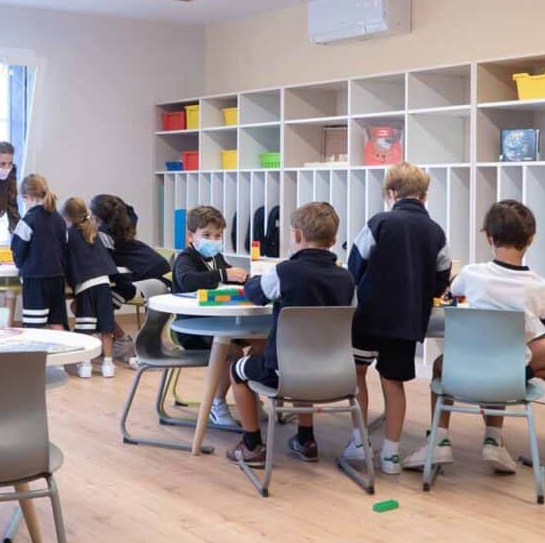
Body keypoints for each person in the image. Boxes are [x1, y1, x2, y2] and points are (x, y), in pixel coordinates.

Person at [403, 200, 545, 473]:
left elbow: (450, 294)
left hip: (463, 373)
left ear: (489, 237)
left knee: (440, 365)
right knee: (504, 358)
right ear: (532, 239)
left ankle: (440, 438)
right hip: (512, 377)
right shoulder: (540, 286)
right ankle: (493, 439)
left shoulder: (471, 274)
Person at [225, 202, 357, 467]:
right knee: (304, 357)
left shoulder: (284, 272)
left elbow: (255, 293)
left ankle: (251, 445)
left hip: (285, 373)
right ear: (333, 240)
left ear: (296, 236)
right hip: (336, 373)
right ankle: (305, 440)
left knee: (237, 369)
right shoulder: (347, 278)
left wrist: (250, 279)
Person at [347, 163, 451, 474]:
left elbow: (355, 263)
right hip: (407, 319)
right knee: (394, 382)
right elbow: (442, 274)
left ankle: (359, 443)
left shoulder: (379, 222)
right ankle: (391, 453)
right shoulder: (435, 231)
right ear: (424, 196)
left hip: (368, 316)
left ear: (391, 193)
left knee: (357, 375)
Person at [172, 205, 250, 428]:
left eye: (217, 236)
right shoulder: (185, 259)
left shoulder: (216, 256)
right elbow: (188, 280)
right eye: (206, 235)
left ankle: (249, 400)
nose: (213, 240)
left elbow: (230, 276)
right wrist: (224, 274)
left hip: (217, 323)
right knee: (231, 351)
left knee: (259, 341)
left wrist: (243, 277)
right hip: (191, 328)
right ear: (191, 236)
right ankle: (217, 403)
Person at [90, 193, 169, 363]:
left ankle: (124, 343)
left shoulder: (104, 234)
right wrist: (117, 204)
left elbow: (103, 263)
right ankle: (118, 341)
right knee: (91, 304)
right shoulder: (125, 222)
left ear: (95, 218)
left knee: (94, 305)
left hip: (147, 277)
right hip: (151, 269)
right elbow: (130, 211)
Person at [61, 197, 118, 377]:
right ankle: (108, 364)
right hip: (103, 282)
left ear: (67, 217)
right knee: (106, 326)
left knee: (85, 326)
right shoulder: (94, 230)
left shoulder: (69, 234)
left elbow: (66, 261)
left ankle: (85, 365)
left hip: (85, 285)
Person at [12, 174, 69, 329]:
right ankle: (64, 353)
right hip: (57, 277)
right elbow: (65, 247)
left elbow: (17, 251)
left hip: (35, 279)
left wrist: (21, 267)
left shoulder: (27, 220)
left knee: (34, 325)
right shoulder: (59, 219)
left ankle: (36, 353)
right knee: (57, 322)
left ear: (26, 197)